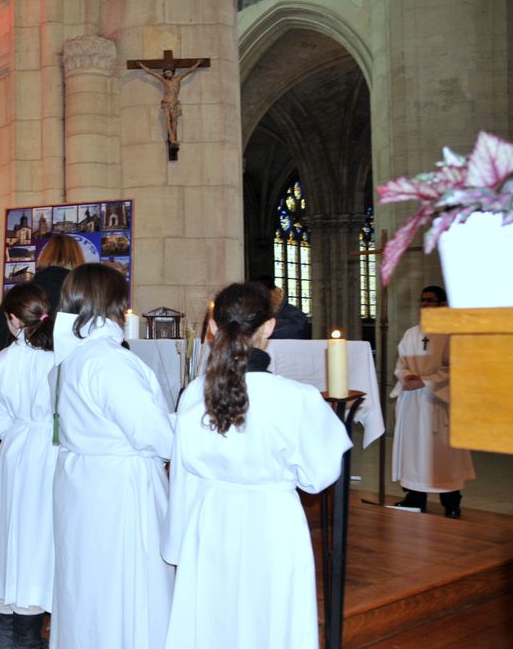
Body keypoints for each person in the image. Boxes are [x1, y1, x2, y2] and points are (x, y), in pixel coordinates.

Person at [163, 282, 352, 649]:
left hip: (209, 523)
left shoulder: (192, 396)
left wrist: (176, 547)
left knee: (213, 623)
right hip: (272, 526)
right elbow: (318, 478)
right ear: (269, 328)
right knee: (271, 624)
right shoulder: (295, 399)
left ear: (213, 328)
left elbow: (181, 477)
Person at [51, 263, 175, 649]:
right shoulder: (110, 361)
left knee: (87, 590)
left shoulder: (70, 359)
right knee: (126, 589)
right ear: (114, 304)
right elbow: (153, 434)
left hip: (82, 485)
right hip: (119, 492)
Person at [0, 284, 57, 649]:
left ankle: (6, 630)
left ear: (12, 320)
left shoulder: (6, 359)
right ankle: (29, 632)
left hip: (16, 449)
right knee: (39, 537)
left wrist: (18, 433)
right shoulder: (59, 358)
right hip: (51, 450)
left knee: (12, 533)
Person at [392, 285, 474, 518]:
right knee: (414, 451)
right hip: (412, 403)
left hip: (439, 403)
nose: (425, 305)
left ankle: (451, 502)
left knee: (443, 454)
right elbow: (401, 363)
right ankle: (414, 498)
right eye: (423, 301)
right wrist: (406, 376)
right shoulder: (411, 333)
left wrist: (426, 381)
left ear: (442, 304)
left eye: (430, 300)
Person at [0, 233, 85, 393]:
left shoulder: (21, 296)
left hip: (18, 388)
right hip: (68, 390)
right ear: (77, 260)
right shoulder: (82, 299)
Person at [137, 60, 201, 145]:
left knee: (174, 120)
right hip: (167, 103)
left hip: (175, 103)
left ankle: (173, 137)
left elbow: (189, 70)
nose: (167, 74)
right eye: (166, 73)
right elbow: (151, 72)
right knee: (167, 119)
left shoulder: (179, 78)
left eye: (169, 72)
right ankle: (171, 137)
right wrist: (141, 65)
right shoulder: (164, 80)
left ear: (173, 72)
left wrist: (198, 63)